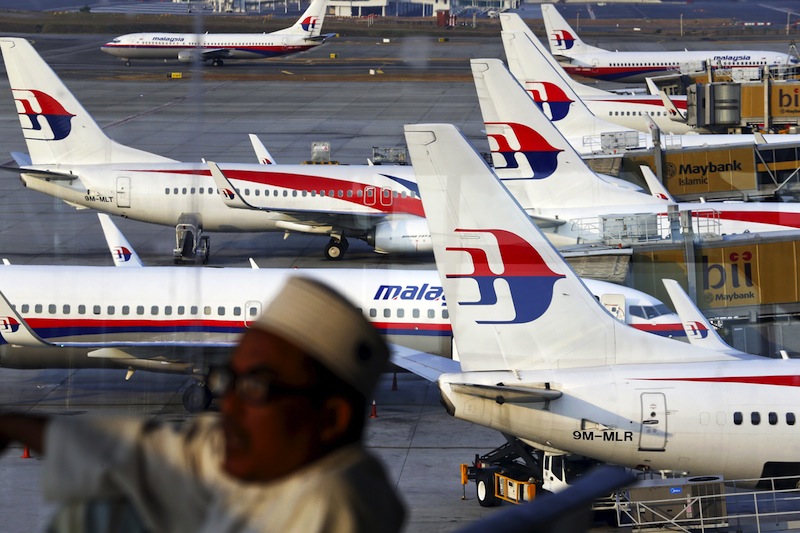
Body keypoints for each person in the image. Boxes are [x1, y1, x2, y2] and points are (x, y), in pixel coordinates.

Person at [0, 276, 406, 533]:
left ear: (331, 419)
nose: (231, 408)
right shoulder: (261, 451)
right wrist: (15, 426)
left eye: (258, 389)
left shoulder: (336, 508)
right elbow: (148, 452)